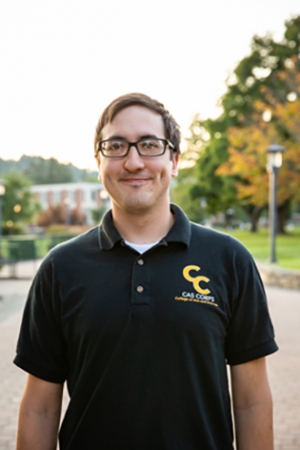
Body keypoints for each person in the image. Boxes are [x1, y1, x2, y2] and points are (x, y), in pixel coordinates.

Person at [14, 93, 278, 450]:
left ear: (174, 161)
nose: (133, 161)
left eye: (150, 145)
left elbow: (251, 400)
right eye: (116, 146)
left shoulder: (229, 260)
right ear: (99, 161)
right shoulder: (61, 268)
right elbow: (41, 407)